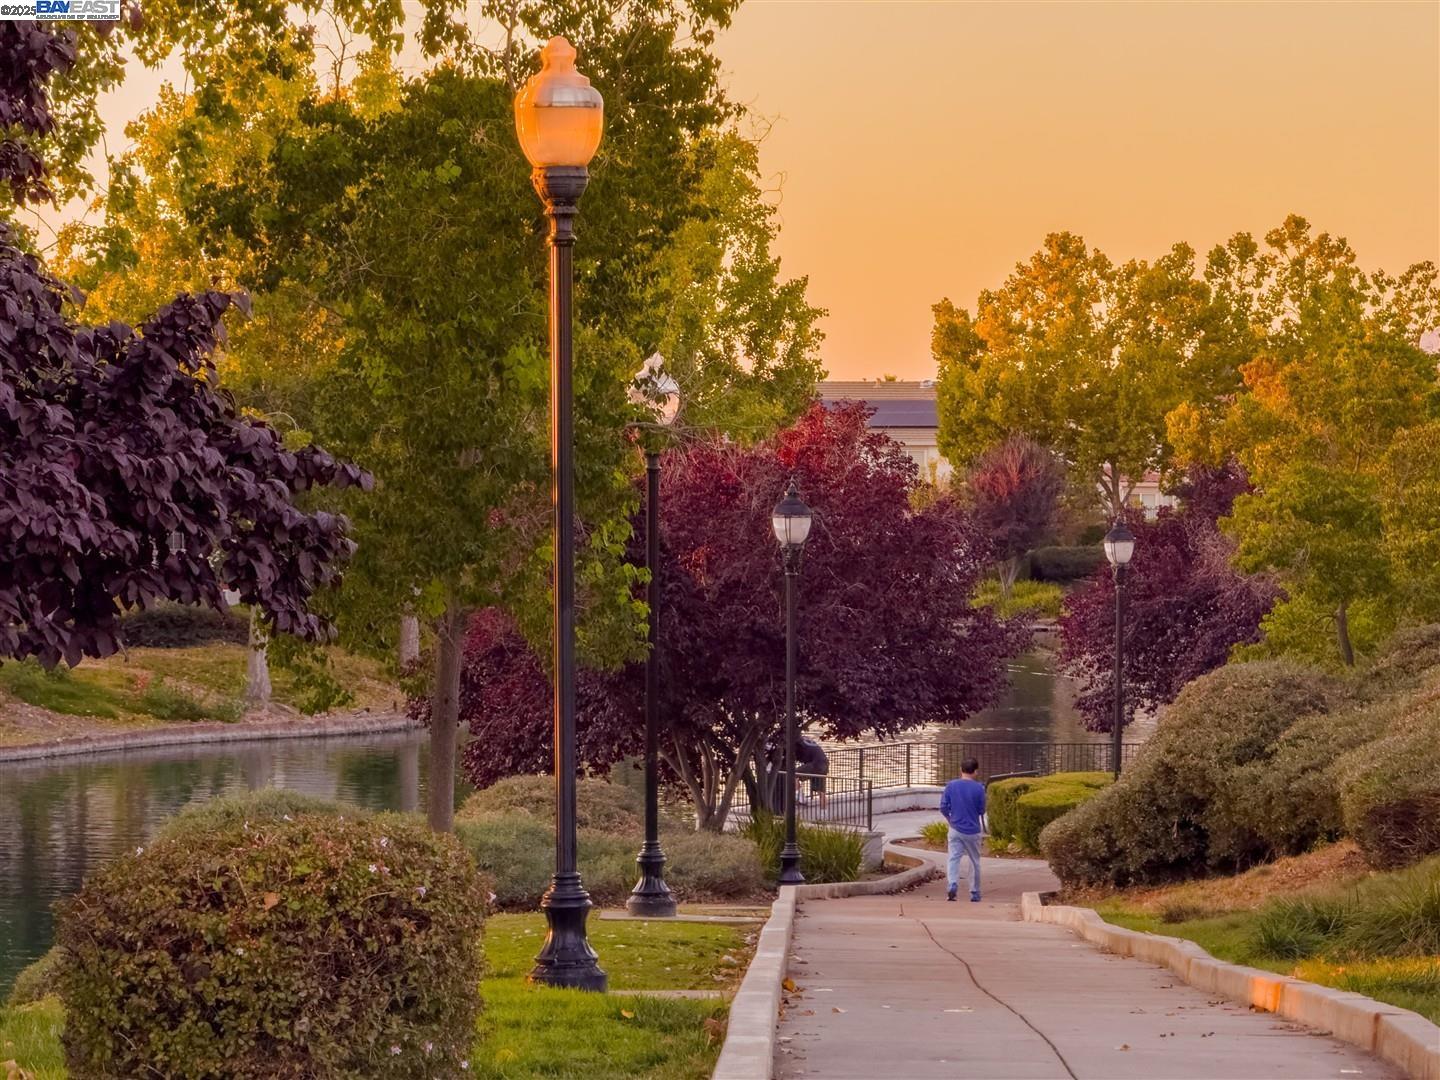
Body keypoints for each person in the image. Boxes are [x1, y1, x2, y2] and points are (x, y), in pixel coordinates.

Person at [938, 758, 986, 902]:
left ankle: (952, 883)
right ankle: (974, 892)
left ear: (961, 769)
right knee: (974, 860)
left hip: (955, 828)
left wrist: (950, 820)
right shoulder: (979, 788)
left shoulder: (951, 786)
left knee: (953, 858)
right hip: (973, 830)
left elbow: (943, 807)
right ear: (976, 771)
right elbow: (981, 810)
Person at [795, 735, 829, 811]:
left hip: (815, 764)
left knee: (793, 775)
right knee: (821, 791)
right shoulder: (806, 740)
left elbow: (798, 756)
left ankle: (801, 797)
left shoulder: (797, 743)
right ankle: (824, 814)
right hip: (824, 764)